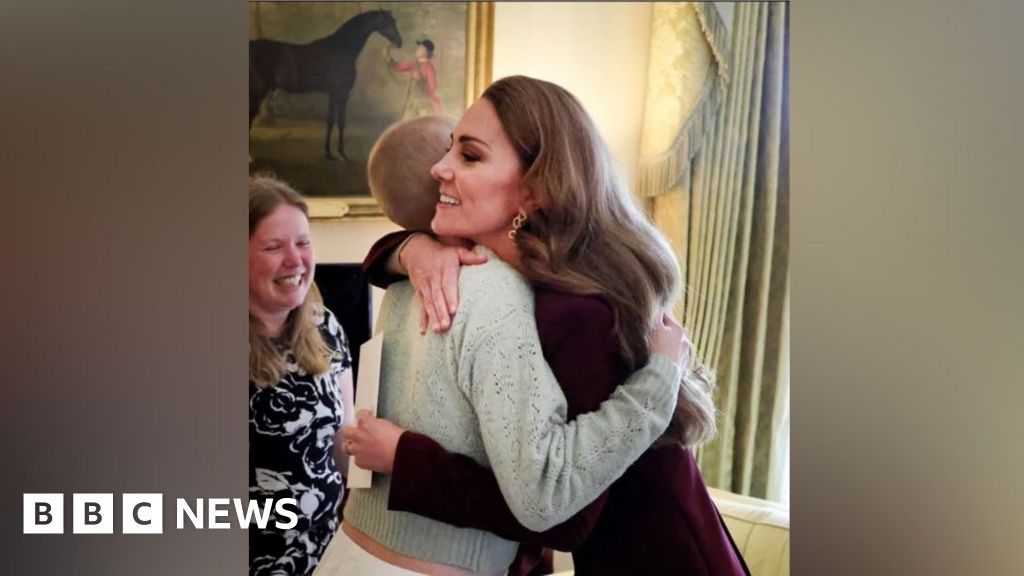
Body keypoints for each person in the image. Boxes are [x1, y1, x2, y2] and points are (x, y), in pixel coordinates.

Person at [347, 76, 749, 575]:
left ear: (534, 190)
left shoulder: (575, 311)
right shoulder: (507, 280)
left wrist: (404, 459)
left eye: (469, 156)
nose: (439, 168)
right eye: (449, 149)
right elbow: (375, 261)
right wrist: (410, 250)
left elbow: (561, 518)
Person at [249, 175, 356, 576]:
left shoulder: (325, 326)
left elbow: (345, 440)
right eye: (274, 247)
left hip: (326, 556)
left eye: (303, 243)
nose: (295, 261)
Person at [387, 38, 443, 117]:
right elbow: (398, 67)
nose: (417, 49)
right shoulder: (414, 64)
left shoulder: (429, 68)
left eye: (421, 48)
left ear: (427, 52)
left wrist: (420, 79)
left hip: (424, 104)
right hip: (413, 102)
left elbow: (431, 89)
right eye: (418, 47)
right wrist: (389, 59)